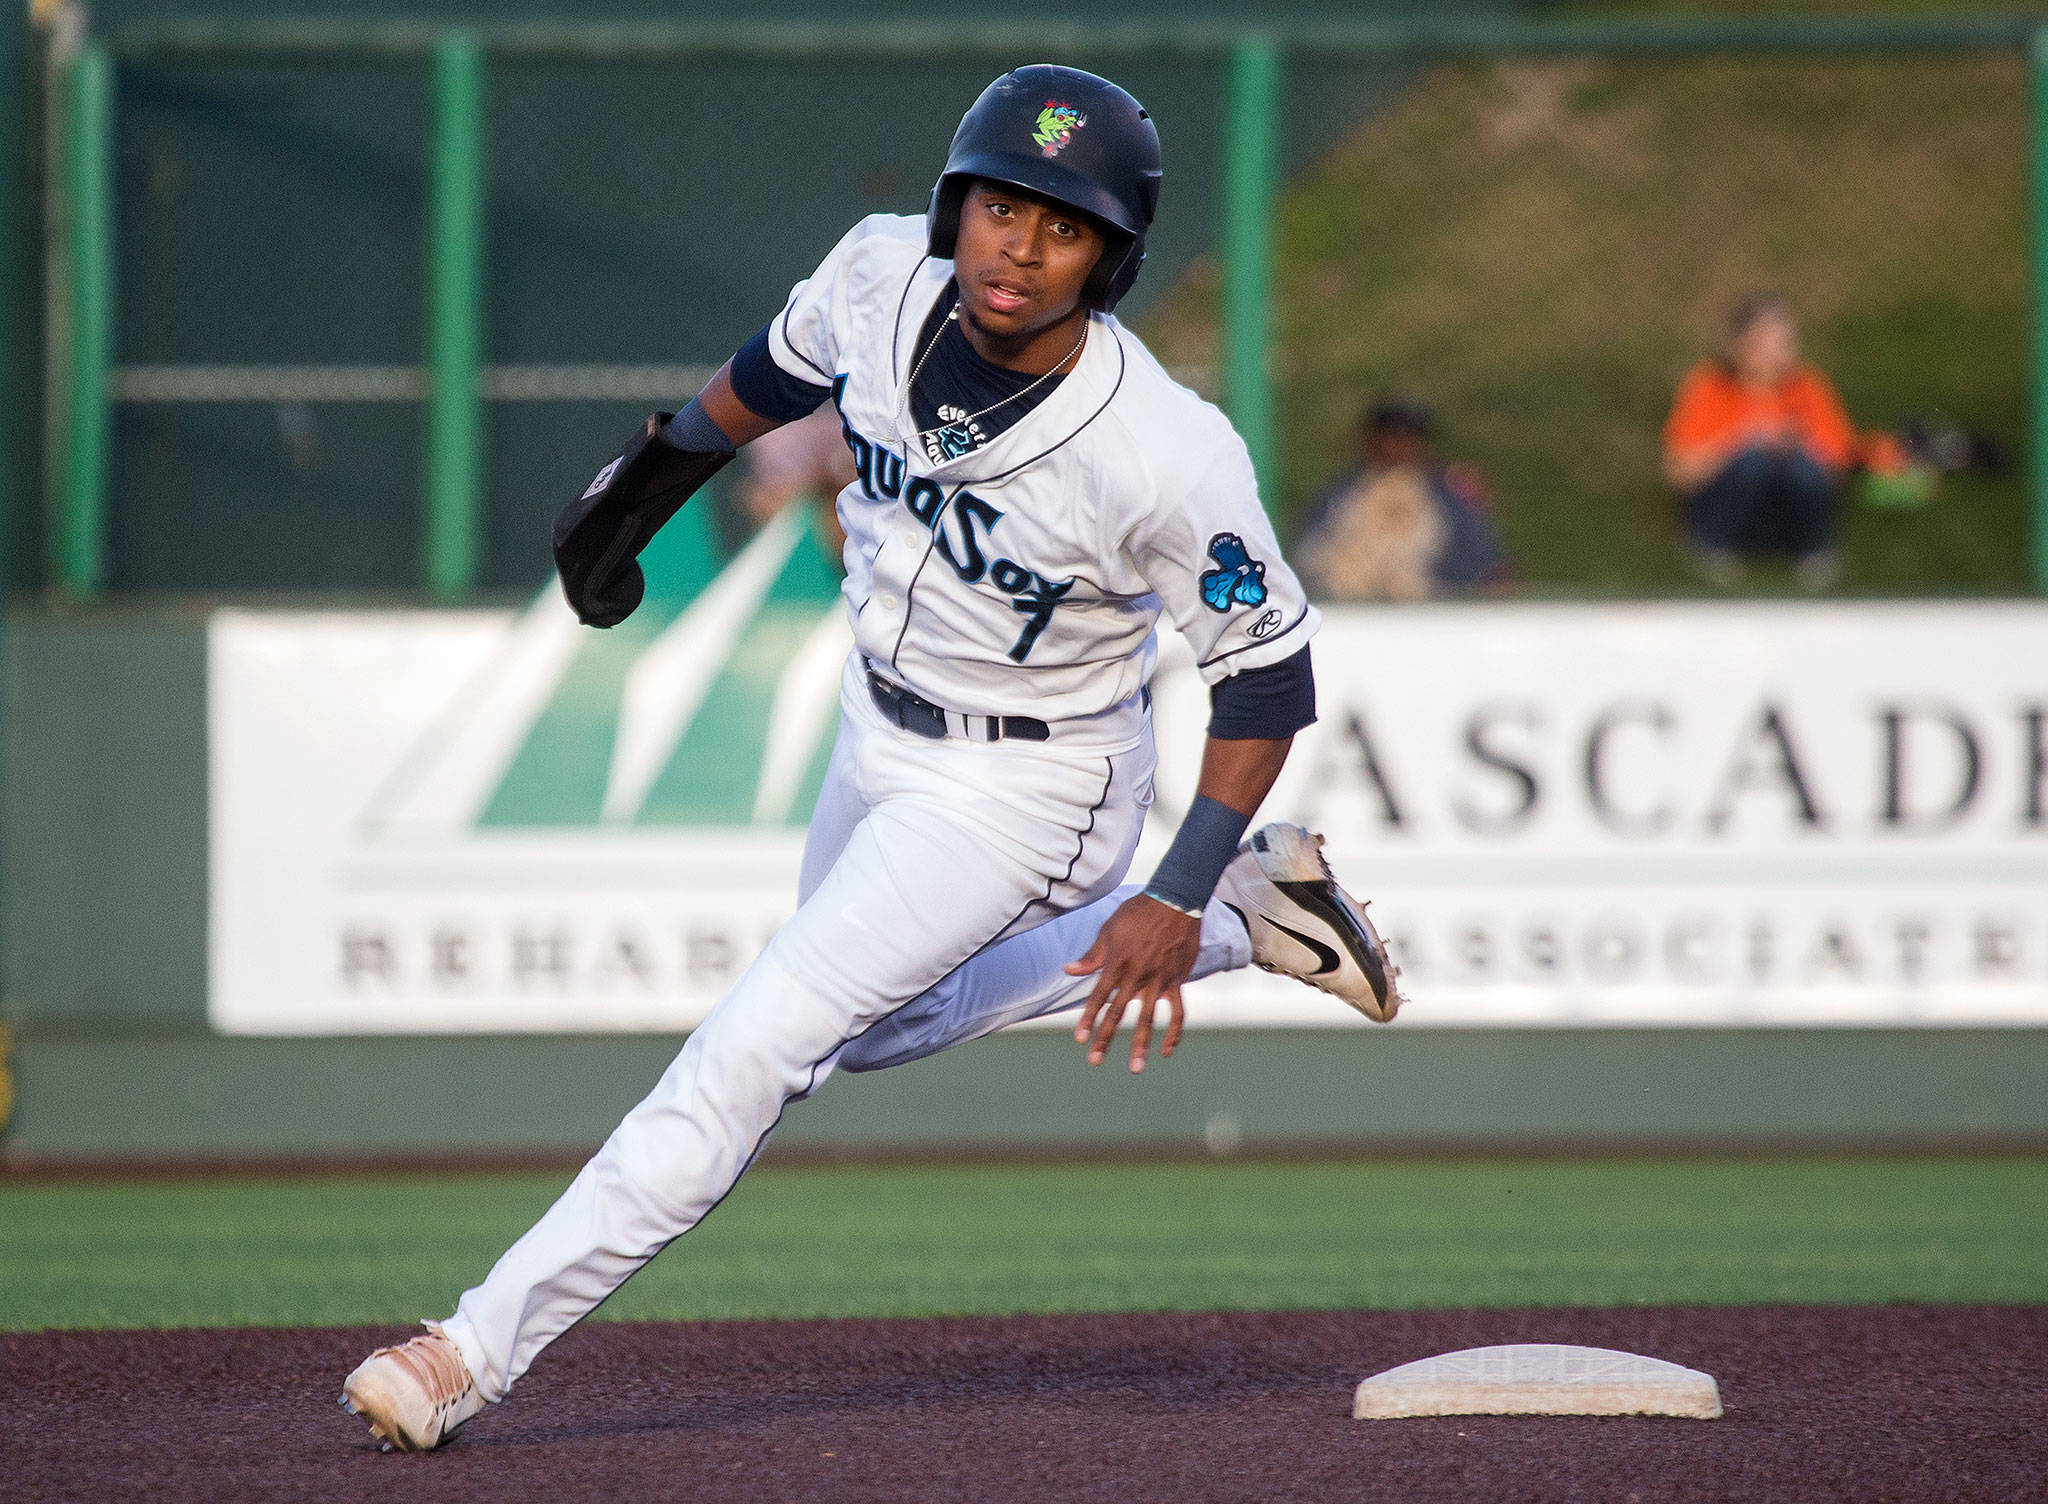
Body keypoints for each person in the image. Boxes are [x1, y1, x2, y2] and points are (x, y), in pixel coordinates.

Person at [338, 65, 1405, 1454]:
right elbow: (769, 377)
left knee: (758, 1044)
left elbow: (1269, 678)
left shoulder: (1165, 450)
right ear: (957, 201)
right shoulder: (881, 272)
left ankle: (464, 1352)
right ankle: (1257, 916)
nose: (1020, 246)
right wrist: (647, 478)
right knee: (878, 1027)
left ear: (1111, 258)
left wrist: (1171, 880)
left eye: (1064, 225)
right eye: (1002, 206)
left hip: (1031, 786)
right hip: (878, 723)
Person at [1663, 292, 1853, 591]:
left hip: (1784, 509)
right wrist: (1744, 439)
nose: (1778, 350)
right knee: (1752, 463)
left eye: (1785, 340)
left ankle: (1811, 552)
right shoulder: (1710, 387)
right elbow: (1681, 473)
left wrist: (1798, 445)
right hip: (1729, 503)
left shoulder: (1806, 388)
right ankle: (1713, 547)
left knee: (1800, 468)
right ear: (1741, 344)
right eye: (1767, 340)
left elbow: (1838, 466)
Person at [1295, 398, 1509, 602]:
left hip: (1431, 613)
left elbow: (1482, 560)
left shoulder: (1444, 494)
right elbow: (1309, 556)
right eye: (1391, 436)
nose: (1399, 445)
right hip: (1351, 611)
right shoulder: (1343, 493)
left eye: (1409, 437)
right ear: (1372, 440)